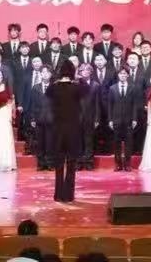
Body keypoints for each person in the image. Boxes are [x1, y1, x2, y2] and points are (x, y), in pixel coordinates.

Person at [47, 59, 83, 202]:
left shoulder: (53, 88)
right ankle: (69, 195)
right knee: (71, 163)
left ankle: (58, 194)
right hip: (73, 129)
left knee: (59, 163)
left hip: (57, 130)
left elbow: (48, 100)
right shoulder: (77, 88)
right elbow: (87, 93)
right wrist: (79, 79)